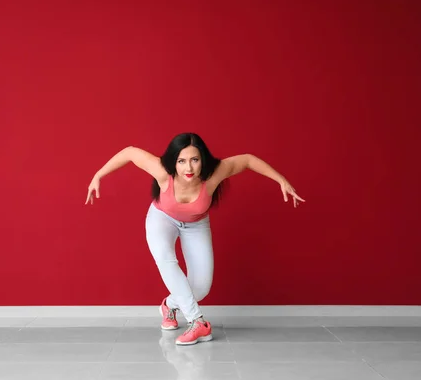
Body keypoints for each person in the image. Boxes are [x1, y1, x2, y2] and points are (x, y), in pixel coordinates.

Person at [85, 133, 304, 346]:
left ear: (203, 160)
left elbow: (246, 159)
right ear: (173, 162)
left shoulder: (214, 175)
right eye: (181, 161)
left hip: (196, 224)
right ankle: (197, 322)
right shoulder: (163, 172)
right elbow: (130, 152)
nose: (188, 168)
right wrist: (98, 175)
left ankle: (169, 306)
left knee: (200, 288)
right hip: (163, 218)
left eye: (194, 160)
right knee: (165, 258)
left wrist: (281, 180)